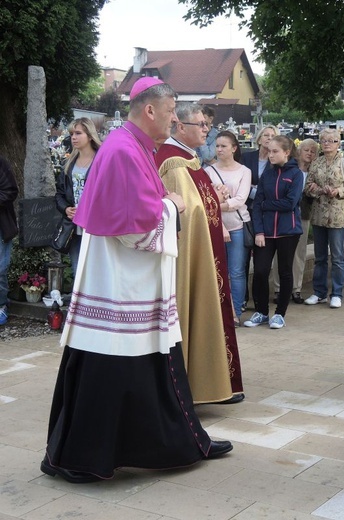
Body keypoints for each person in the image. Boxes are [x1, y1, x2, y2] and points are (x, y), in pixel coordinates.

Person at [40, 78, 232, 484]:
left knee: (151, 363)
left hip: (129, 281)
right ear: (149, 110)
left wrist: (165, 205)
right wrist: (172, 206)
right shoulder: (125, 150)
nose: (174, 119)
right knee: (113, 368)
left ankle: (186, 439)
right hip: (121, 284)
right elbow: (132, 227)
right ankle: (83, 456)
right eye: (170, 110)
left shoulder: (131, 145)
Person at [155, 102, 244, 405]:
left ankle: (211, 383)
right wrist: (211, 203)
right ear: (181, 127)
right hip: (189, 257)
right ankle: (195, 386)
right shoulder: (172, 162)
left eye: (207, 125)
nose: (207, 130)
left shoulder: (187, 158)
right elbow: (185, 212)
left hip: (207, 250)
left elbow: (195, 204)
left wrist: (213, 200)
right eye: (201, 125)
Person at [244, 136, 303, 330]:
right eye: (269, 151)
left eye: (275, 151)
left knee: (285, 271)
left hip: (288, 231)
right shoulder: (266, 175)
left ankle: (279, 314)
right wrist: (259, 231)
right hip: (266, 232)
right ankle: (261, 311)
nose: (270, 155)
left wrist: (266, 204)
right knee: (260, 271)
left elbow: (290, 203)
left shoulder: (296, 174)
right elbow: (257, 207)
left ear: (286, 152)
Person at [304, 128, 344, 309]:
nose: (327, 143)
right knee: (320, 257)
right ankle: (319, 292)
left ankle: (336, 293)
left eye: (332, 140)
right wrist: (317, 189)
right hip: (319, 215)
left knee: (337, 257)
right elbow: (307, 187)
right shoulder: (316, 163)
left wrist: (338, 191)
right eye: (324, 140)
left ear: (339, 143)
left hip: (337, 215)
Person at [205, 130, 252, 327]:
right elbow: (204, 198)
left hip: (238, 225)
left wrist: (216, 204)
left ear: (234, 148)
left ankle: (236, 310)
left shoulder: (244, 171)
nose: (220, 149)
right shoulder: (208, 171)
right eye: (217, 146)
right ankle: (219, 311)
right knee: (217, 269)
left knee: (237, 271)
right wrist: (216, 206)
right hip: (215, 225)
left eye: (224, 146)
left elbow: (241, 200)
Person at [273, 138, 319, 304]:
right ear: (299, 151)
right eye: (306, 150)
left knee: (299, 253)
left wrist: (315, 189)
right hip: (284, 215)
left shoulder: (315, 170)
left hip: (302, 214)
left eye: (313, 151)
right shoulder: (288, 167)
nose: (309, 153)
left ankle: (296, 289)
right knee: (281, 253)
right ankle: (278, 289)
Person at [54, 118, 101, 276]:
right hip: (73, 227)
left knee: (96, 271)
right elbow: (59, 194)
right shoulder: (69, 163)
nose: (73, 137)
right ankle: (77, 301)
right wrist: (66, 209)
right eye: (72, 133)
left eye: (78, 133)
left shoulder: (101, 160)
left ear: (89, 135)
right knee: (77, 271)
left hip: (96, 226)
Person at [241, 125, 279, 311]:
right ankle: (242, 298)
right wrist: (254, 191)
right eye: (266, 135)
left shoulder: (276, 162)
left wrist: (258, 191)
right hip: (245, 211)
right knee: (243, 258)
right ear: (259, 138)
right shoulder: (247, 157)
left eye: (273, 136)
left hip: (265, 214)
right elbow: (239, 180)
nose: (269, 138)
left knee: (261, 263)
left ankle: (258, 301)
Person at [0, 156, 18, 326]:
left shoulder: (1, 163)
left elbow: (11, 191)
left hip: (1, 225)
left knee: (0, 268)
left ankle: (1, 304)